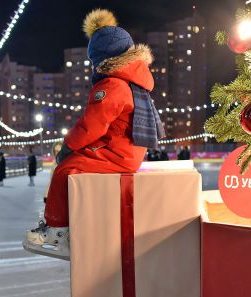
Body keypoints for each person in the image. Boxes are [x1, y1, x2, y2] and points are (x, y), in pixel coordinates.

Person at [23, 9, 164, 259]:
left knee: (65, 169)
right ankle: (71, 224)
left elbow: (92, 124)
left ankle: (58, 231)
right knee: (71, 165)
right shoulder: (132, 82)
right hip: (125, 150)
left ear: (101, 60)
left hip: (117, 153)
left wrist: (67, 147)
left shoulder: (113, 85)